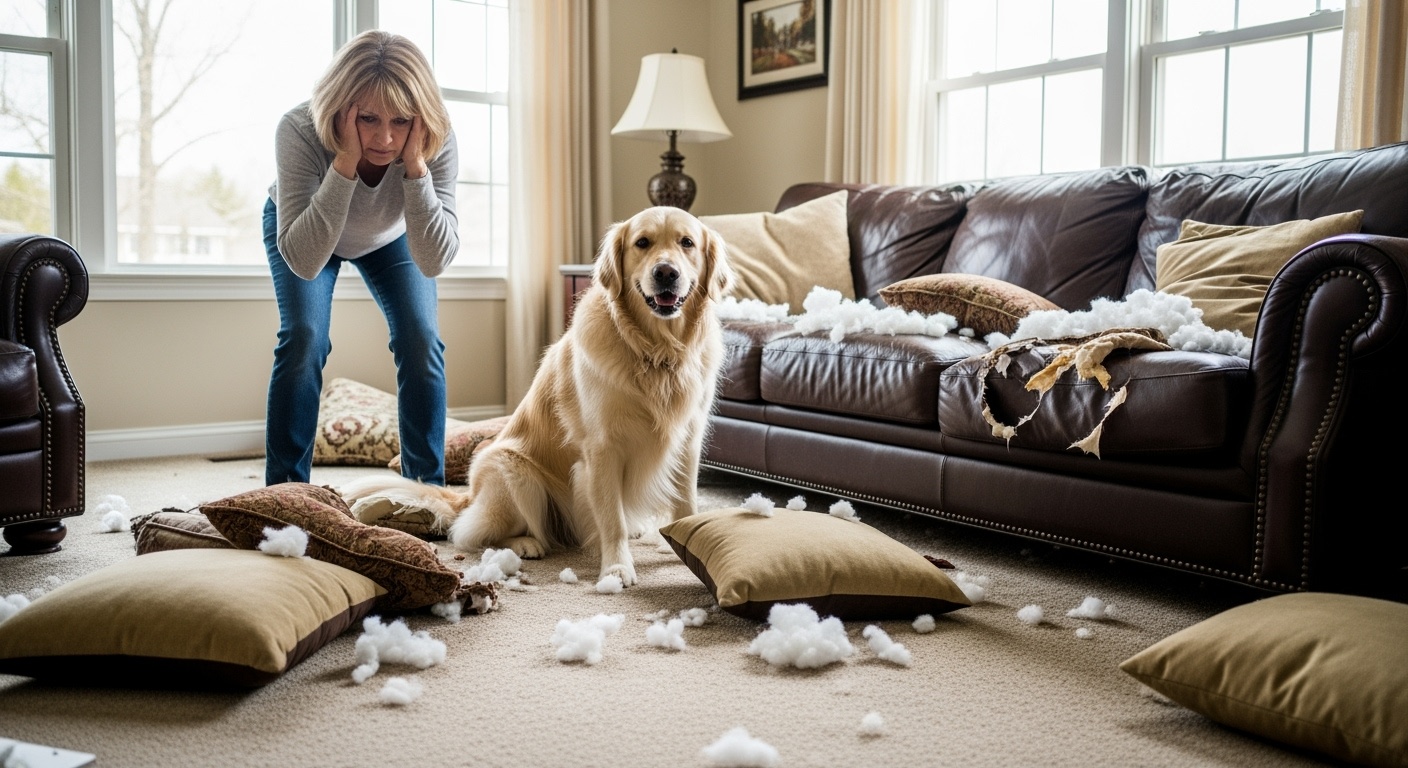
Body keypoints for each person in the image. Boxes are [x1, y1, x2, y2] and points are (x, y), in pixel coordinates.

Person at [263, 30, 458, 487]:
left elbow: (432, 261)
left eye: (401, 120)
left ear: (420, 116)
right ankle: (286, 493)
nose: (385, 137)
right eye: (368, 119)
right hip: (306, 232)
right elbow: (305, 260)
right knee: (304, 337)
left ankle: (425, 491)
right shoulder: (298, 129)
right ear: (341, 108)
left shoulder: (437, 137)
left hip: (390, 237)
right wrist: (346, 159)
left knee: (421, 339)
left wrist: (416, 167)